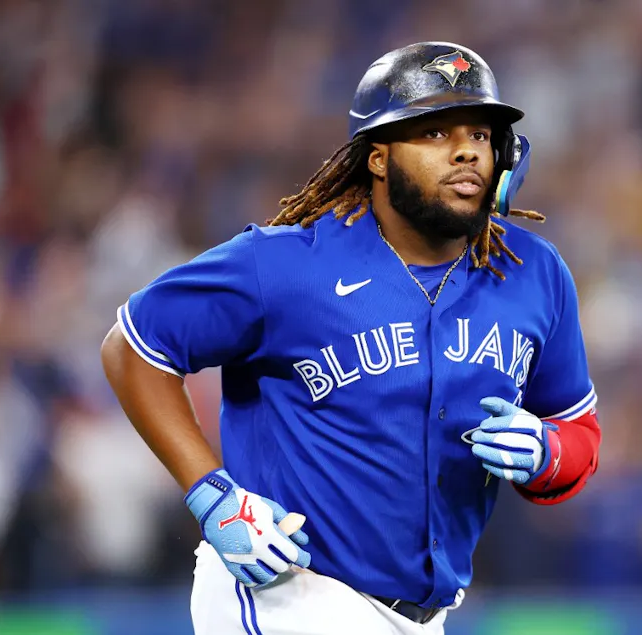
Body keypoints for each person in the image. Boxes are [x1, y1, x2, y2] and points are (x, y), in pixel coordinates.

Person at [101, 41, 602, 635]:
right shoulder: (285, 263)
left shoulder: (534, 275)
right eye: (435, 133)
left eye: (481, 133)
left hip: (425, 616)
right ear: (379, 158)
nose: (468, 149)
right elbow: (133, 347)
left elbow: (579, 430)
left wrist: (547, 451)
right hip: (289, 591)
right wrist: (212, 495)